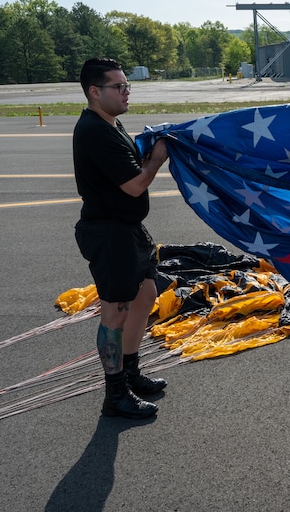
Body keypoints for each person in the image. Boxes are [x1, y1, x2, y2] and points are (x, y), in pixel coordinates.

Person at [73, 57, 169, 419]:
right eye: (119, 86)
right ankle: (115, 394)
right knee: (115, 312)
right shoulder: (95, 131)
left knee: (145, 295)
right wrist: (157, 158)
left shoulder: (110, 124)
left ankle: (130, 372)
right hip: (109, 233)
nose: (126, 91)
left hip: (128, 230)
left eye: (128, 85)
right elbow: (134, 185)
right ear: (95, 92)